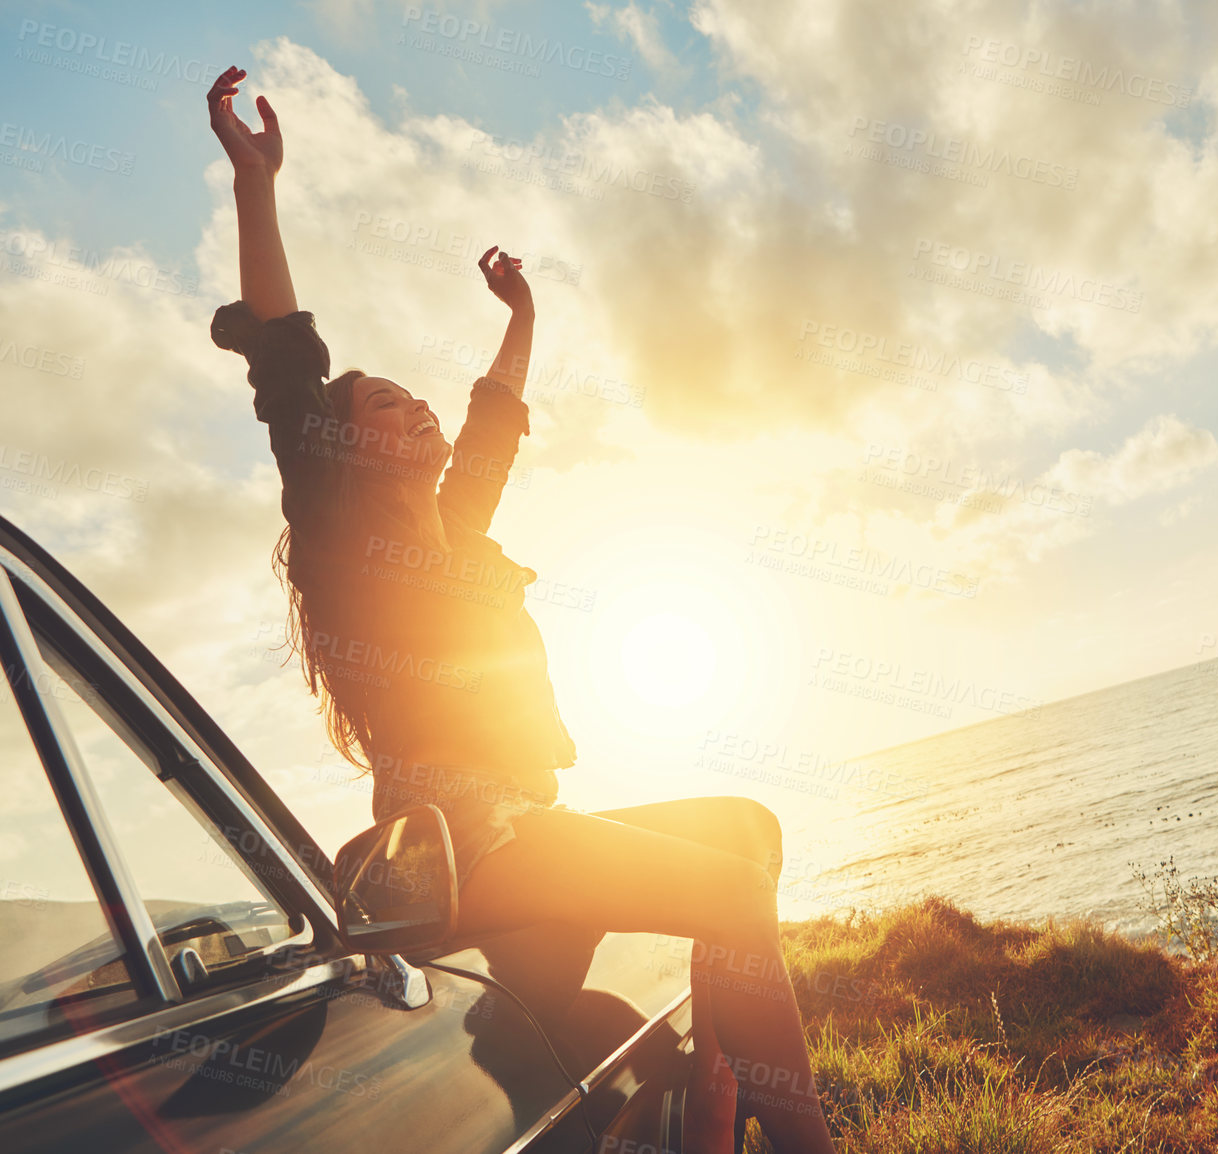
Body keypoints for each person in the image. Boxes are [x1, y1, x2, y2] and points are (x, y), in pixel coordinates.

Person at [204, 65, 837, 1153]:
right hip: (464, 853)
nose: (414, 409)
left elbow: (491, 423)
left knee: (751, 832)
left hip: (524, 824)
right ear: (345, 446)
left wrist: (524, 313)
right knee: (730, 888)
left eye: (413, 398)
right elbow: (286, 363)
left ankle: (723, 1125)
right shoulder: (346, 548)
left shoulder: (458, 537)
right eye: (387, 405)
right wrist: (257, 187)